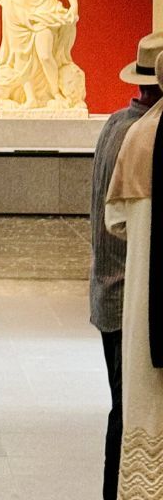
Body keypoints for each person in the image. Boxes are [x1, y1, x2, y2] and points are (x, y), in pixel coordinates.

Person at [92, 33, 163, 500]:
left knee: (125, 410)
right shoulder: (141, 136)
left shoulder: (115, 125)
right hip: (130, 294)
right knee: (132, 411)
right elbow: (119, 222)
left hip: (112, 289)